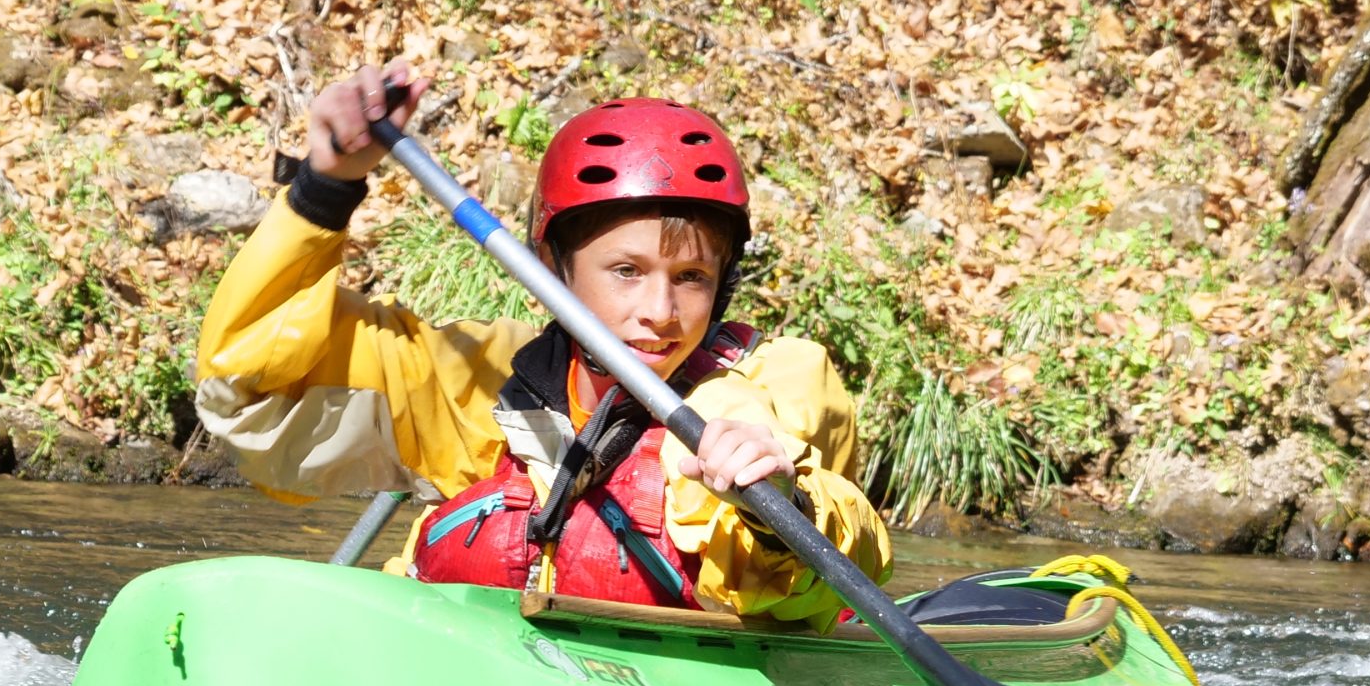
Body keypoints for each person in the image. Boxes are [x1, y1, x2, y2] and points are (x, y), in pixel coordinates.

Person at [192, 64, 891, 628]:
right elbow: (251, 388)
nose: (660, 313)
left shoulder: (771, 386)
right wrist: (325, 187)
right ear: (554, 269)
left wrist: (780, 501)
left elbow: (833, 559)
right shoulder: (482, 378)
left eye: (691, 277)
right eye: (626, 271)